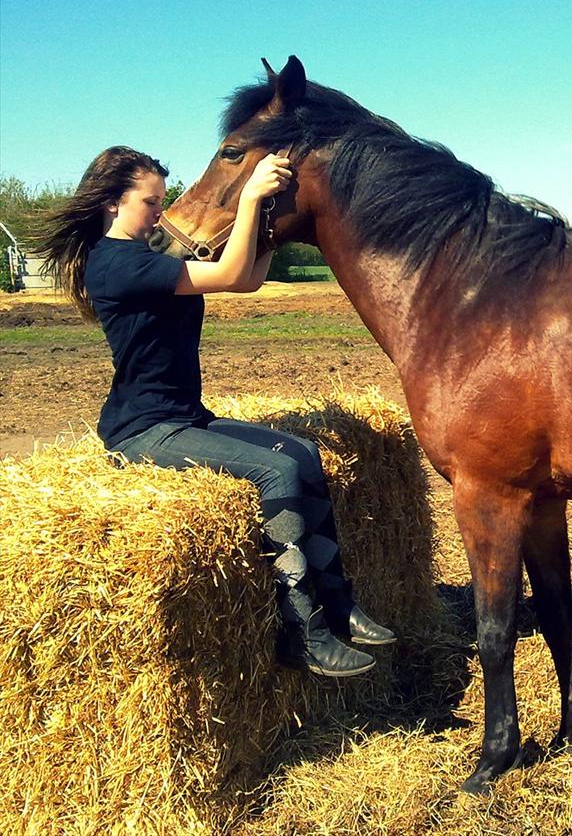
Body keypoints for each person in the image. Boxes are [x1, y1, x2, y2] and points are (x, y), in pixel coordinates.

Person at [37, 145, 394, 678]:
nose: (162, 212)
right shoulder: (116, 265)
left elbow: (247, 278)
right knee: (275, 470)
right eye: (151, 201)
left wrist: (269, 219)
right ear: (113, 203)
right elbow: (228, 275)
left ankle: (339, 602)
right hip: (144, 430)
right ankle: (304, 630)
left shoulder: (149, 260)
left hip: (185, 415)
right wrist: (249, 194)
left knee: (302, 452)